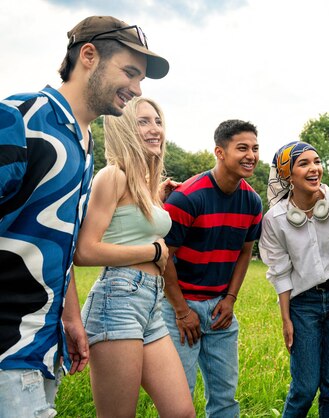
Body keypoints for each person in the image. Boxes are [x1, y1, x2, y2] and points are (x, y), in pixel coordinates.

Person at [0, 16, 168, 417]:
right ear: (88, 56)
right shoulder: (20, 116)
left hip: (42, 347)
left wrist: (71, 319)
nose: (137, 89)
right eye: (129, 72)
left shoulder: (84, 144)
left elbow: (58, 243)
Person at [73, 97, 194, 417]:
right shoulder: (112, 176)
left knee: (182, 412)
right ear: (124, 127)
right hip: (118, 301)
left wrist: (157, 197)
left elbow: (130, 224)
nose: (155, 129)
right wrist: (152, 251)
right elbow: (84, 251)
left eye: (157, 121)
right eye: (143, 122)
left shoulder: (145, 184)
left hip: (151, 304)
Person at [161, 119, 263, 417]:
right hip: (178, 307)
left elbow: (246, 252)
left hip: (220, 309)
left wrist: (230, 299)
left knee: (225, 398)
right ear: (220, 152)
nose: (251, 155)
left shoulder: (252, 202)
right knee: (180, 398)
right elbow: (164, 257)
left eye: (255, 148)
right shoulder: (188, 197)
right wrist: (182, 311)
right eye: (242, 148)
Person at [259, 141, 329, 417]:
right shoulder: (276, 219)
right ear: (287, 174)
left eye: (317, 161)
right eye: (304, 163)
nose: (314, 168)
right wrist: (286, 319)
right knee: (304, 389)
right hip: (303, 304)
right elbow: (279, 272)